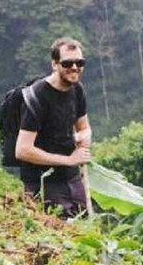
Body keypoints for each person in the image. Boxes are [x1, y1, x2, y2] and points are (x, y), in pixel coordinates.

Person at [16, 37, 92, 218]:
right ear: (54, 64)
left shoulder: (77, 89)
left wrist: (85, 136)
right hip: (44, 182)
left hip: (72, 179)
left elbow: (84, 127)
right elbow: (23, 150)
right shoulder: (37, 97)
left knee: (84, 231)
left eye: (79, 63)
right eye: (67, 63)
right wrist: (69, 160)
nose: (74, 68)